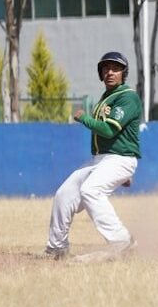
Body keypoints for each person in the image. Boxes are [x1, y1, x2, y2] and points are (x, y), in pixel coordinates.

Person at [44, 51, 142, 260]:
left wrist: (84, 118)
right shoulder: (106, 98)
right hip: (104, 161)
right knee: (64, 195)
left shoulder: (128, 96)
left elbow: (108, 130)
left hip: (120, 159)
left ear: (124, 73)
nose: (109, 72)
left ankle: (122, 241)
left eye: (115, 68)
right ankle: (57, 248)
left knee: (91, 190)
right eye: (105, 68)